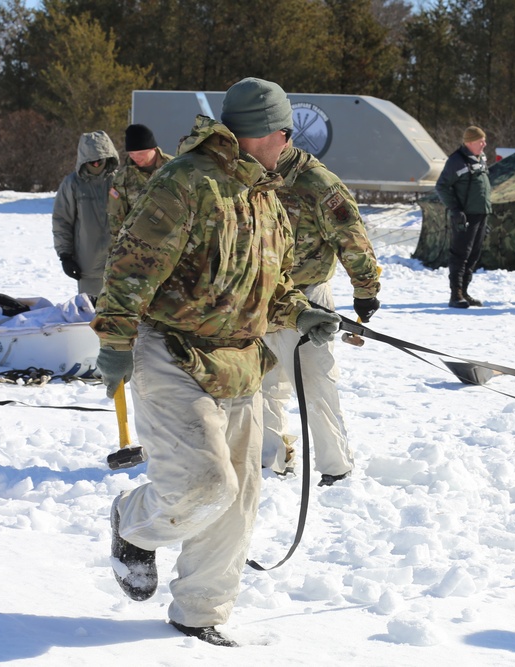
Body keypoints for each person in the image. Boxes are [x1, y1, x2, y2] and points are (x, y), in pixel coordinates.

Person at [91, 77, 342, 647]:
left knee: (240, 498)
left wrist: (299, 313)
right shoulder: (183, 184)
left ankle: (199, 612)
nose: (290, 148)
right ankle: (133, 523)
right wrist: (114, 343)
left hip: (241, 362)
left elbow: (267, 283)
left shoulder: (263, 196)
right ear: (270, 134)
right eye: (287, 137)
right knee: (205, 486)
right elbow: (130, 267)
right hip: (174, 352)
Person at [261, 144, 382, 486]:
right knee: (262, 386)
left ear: (282, 136)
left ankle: (336, 466)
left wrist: (365, 289)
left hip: (307, 296)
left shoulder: (316, 182)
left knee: (315, 386)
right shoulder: (248, 175)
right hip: (258, 299)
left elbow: (351, 237)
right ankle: (271, 460)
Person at [52, 130, 120, 297]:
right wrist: (65, 255)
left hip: (120, 265)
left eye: (100, 160)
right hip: (88, 265)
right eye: (91, 162)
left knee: (120, 316)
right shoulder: (72, 184)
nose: (96, 165)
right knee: (90, 317)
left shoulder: (120, 181)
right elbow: (62, 221)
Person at [435, 125, 492, 308]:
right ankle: (455, 295)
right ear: (469, 142)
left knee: (473, 254)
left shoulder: (481, 158)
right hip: (464, 216)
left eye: (484, 140)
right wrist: (455, 209)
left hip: (481, 214)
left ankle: (465, 292)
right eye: (480, 141)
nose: (484, 144)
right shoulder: (456, 161)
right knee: (460, 254)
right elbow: (442, 186)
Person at [107, 123, 172, 239]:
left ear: (153, 148)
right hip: (138, 246)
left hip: (172, 243)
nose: (136, 157)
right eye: (132, 153)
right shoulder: (123, 177)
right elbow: (115, 217)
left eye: (141, 153)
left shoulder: (174, 168)